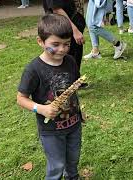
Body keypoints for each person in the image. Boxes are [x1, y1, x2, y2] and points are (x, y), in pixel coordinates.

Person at [17, 14, 83, 179]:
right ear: (40, 41)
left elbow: (71, 89)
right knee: (57, 166)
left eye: (67, 44)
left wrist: (80, 111)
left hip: (74, 125)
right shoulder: (33, 70)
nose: (62, 49)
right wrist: (41, 109)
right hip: (51, 131)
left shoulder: (70, 61)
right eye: (55, 44)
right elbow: (21, 98)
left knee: (73, 160)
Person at [43, 0, 87, 87]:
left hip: (71, 23)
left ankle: (74, 81)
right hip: (63, 26)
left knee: (75, 55)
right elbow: (57, 9)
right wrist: (74, 30)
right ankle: (63, 85)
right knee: (64, 55)